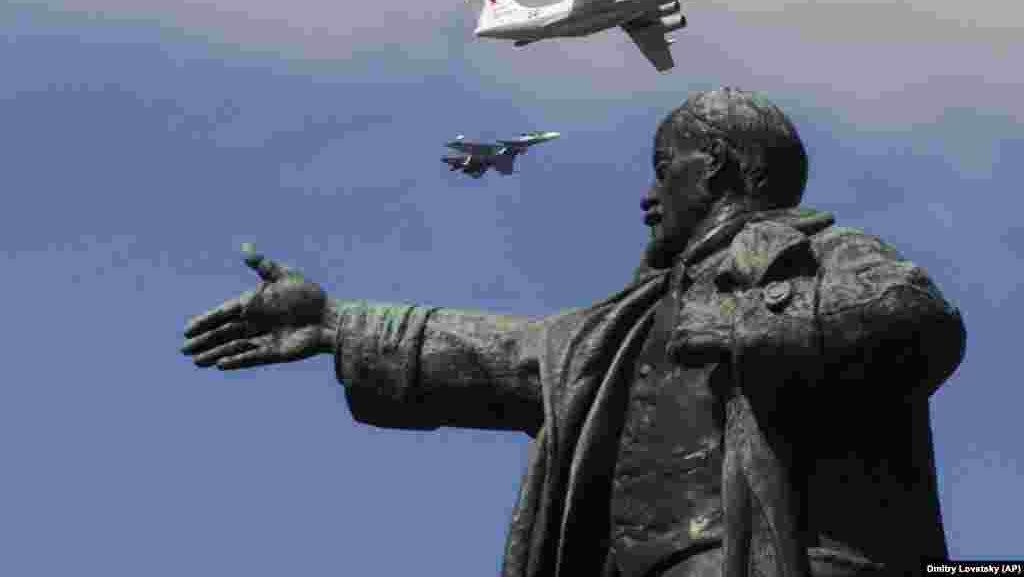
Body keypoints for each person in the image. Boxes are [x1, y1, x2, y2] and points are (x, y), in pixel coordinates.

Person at [182, 88, 966, 577]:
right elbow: (509, 354)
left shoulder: (821, 254)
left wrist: (738, 321)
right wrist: (335, 324)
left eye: (665, 167)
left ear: (720, 167)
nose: (648, 194)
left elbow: (914, 318)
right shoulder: (622, 325)